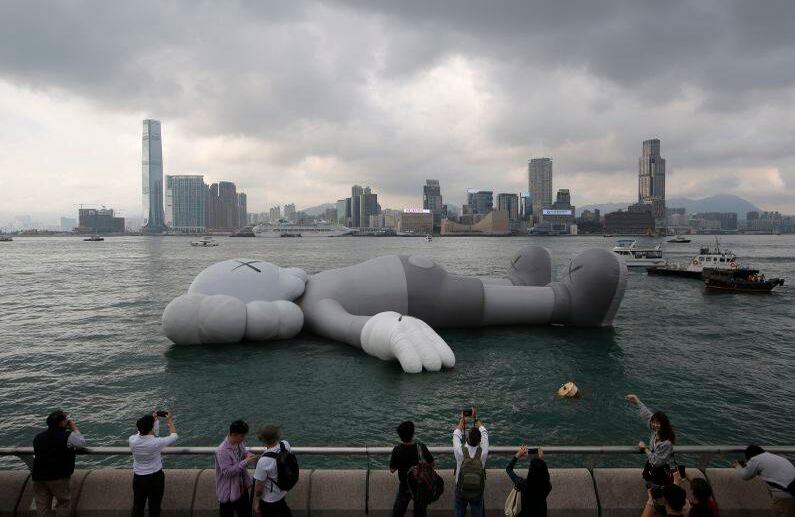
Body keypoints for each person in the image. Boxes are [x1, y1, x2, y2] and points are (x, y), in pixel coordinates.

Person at [31, 410, 87, 517]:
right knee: (63, 503)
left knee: (42, 507)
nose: (67, 421)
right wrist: (73, 427)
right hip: (58, 477)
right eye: (66, 420)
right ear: (61, 423)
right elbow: (81, 442)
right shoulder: (67, 435)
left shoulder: (38, 437)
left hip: (38, 476)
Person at [129, 411, 178, 517]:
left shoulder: (132, 440)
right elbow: (174, 436)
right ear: (151, 428)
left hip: (138, 478)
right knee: (155, 507)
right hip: (155, 477)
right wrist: (169, 421)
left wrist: (153, 420)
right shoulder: (156, 442)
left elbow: (143, 432)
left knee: (138, 507)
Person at [389, 421, 435, 517]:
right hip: (420, 485)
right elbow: (432, 463)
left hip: (405, 485)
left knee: (398, 512)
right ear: (413, 434)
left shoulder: (397, 450)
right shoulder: (421, 447)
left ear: (400, 435)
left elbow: (392, 470)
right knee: (420, 512)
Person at [735, 445, 795, 516]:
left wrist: (738, 467)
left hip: (784, 494)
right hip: (792, 489)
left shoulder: (755, 459)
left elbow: (745, 476)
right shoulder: (772, 456)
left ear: (750, 456)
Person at [216, 420, 257, 517]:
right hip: (228, 492)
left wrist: (248, 455)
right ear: (233, 434)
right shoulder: (222, 451)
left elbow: (243, 453)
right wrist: (245, 462)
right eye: (242, 436)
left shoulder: (239, 443)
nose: (243, 439)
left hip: (241, 488)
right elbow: (227, 472)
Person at [453, 408, 488, 517]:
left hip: (461, 487)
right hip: (477, 489)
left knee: (459, 511)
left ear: (467, 438)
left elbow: (456, 434)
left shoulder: (460, 451)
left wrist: (462, 419)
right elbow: (484, 431)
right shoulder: (483, 451)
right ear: (480, 441)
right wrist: (475, 418)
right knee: (477, 511)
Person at [253, 425, 292, 517]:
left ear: (262, 440)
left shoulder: (263, 461)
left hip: (269, 499)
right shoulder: (285, 445)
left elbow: (259, 486)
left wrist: (257, 502)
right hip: (281, 493)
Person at [505, 445, 551, 517]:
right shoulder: (547, 486)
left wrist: (518, 455)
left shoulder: (522, 484)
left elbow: (508, 469)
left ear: (530, 471)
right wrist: (541, 460)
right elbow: (543, 473)